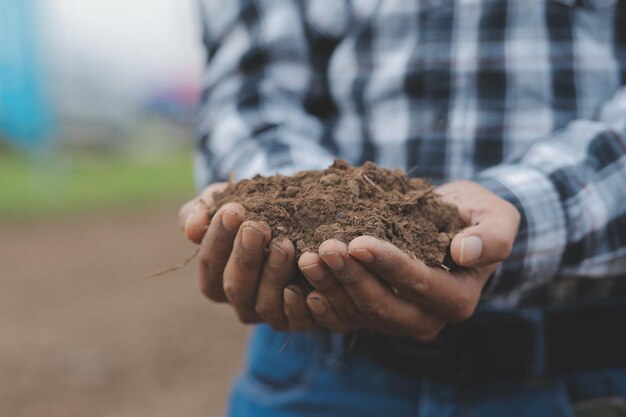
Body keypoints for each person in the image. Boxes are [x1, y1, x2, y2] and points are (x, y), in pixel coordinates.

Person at [179, 1, 626, 416]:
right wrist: (283, 216)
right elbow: (251, 87)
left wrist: (519, 210)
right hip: (318, 369)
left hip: (584, 367)